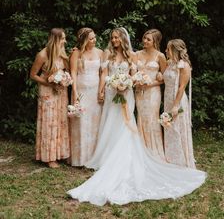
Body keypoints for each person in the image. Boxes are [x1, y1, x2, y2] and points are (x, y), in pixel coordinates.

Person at [67, 28, 206, 206]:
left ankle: (128, 154)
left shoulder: (131, 55)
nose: (114, 40)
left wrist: (126, 84)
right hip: (111, 93)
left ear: (123, 38)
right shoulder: (107, 53)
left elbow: (134, 75)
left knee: (126, 124)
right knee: (109, 122)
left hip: (126, 94)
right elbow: (103, 73)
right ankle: (106, 156)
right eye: (112, 37)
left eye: (117, 37)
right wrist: (103, 89)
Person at [30, 28, 70, 168]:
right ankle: (48, 157)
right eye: (63, 38)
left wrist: (64, 78)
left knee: (60, 121)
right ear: (55, 39)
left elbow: (67, 70)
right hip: (47, 91)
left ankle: (60, 153)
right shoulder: (42, 54)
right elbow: (33, 75)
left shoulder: (61, 53)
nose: (65, 41)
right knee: (49, 122)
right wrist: (49, 82)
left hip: (60, 91)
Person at [69, 27, 103, 166]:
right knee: (81, 122)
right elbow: (73, 72)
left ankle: (94, 157)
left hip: (95, 91)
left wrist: (101, 91)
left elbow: (103, 73)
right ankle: (80, 158)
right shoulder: (76, 53)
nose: (94, 40)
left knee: (95, 123)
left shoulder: (100, 52)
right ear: (84, 40)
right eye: (91, 39)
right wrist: (75, 91)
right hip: (81, 91)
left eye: (95, 37)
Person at [163, 39, 195, 168]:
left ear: (175, 50)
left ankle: (181, 160)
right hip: (167, 99)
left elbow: (182, 87)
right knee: (169, 127)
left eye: (168, 49)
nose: (165, 51)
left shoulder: (184, 65)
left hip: (178, 100)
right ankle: (171, 158)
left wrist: (176, 105)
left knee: (177, 128)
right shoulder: (170, 63)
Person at [135, 29, 166, 160]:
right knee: (141, 118)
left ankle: (154, 151)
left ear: (155, 42)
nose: (145, 41)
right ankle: (141, 150)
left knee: (151, 118)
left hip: (153, 92)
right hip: (139, 92)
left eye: (148, 39)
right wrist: (136, 81)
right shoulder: (136, 54)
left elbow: (165, 78)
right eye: (144, 38)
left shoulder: (160, 56)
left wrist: (151, 83)